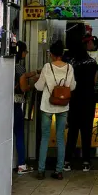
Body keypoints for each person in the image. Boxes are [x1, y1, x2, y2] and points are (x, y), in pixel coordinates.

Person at [34, 39, 76, 180]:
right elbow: (73, 86)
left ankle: (41, 171)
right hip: (63, 106)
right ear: (62, 53)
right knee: (60, 138)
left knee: (45, 137)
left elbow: (40, 86)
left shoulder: (47, 67)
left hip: (47, 105)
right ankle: (59, 171)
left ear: (51, 54)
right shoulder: (69, 68)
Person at [63, 36, 98, 172]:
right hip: (89, 100)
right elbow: (95, 81)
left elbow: (68, 82)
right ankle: (86, 162)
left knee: (72, 131)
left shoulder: (72, 63)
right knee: (86, 131)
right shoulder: (92, 62)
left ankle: (67, 161)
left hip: (74, 100)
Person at [14, 41, 37, 175]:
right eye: (25, 51)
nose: (26, 54)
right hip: (15, 104)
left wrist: (34, 72)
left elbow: (22, 76)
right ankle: (22, 165)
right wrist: (32, 84)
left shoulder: (9, 64)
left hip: (3, 104)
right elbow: (23, 87)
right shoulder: (19, 67)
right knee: (19, 134)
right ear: (21, 52)